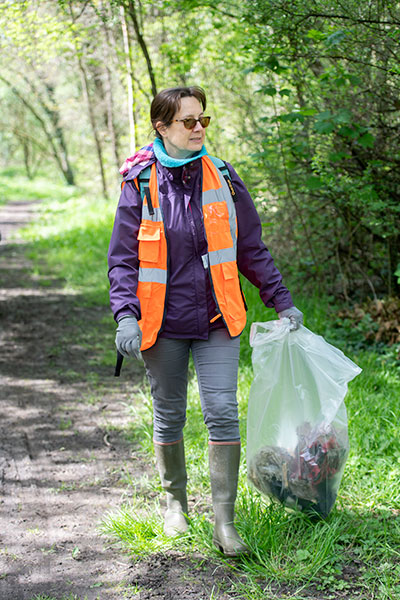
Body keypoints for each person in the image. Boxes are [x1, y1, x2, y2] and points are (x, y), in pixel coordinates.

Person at [107, 86, 303, 557]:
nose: (199, 129)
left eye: (203, 121)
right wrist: (126, 316)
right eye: (188, 122)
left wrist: (282, 301)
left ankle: (224, 522)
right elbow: (123, 261)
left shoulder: (224, 178)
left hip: (218, 316)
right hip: (161, 323)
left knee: (221, 411)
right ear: (162, 127)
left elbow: (250, 248)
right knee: (169, 411)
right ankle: (175, 505)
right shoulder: (139, 183)